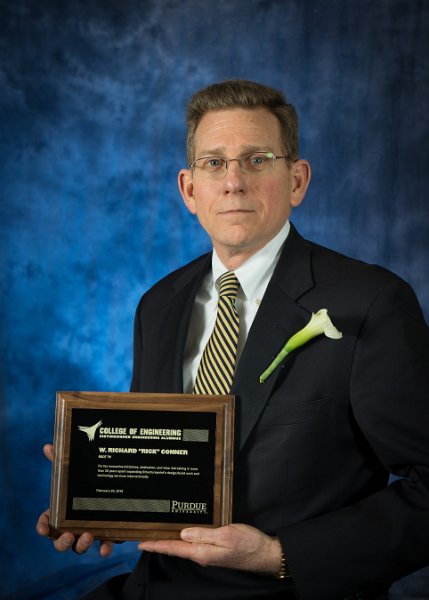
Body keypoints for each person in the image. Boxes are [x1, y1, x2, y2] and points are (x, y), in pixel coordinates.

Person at [37, 79, 429, 600]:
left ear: (296, 181)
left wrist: (279, 556)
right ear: (189, 190)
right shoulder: (158, 305)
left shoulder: (372, 301)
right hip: (153, 586)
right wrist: (99, 502)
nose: (234, 182)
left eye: (257, 160)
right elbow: (160, 464)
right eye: (214, 163)